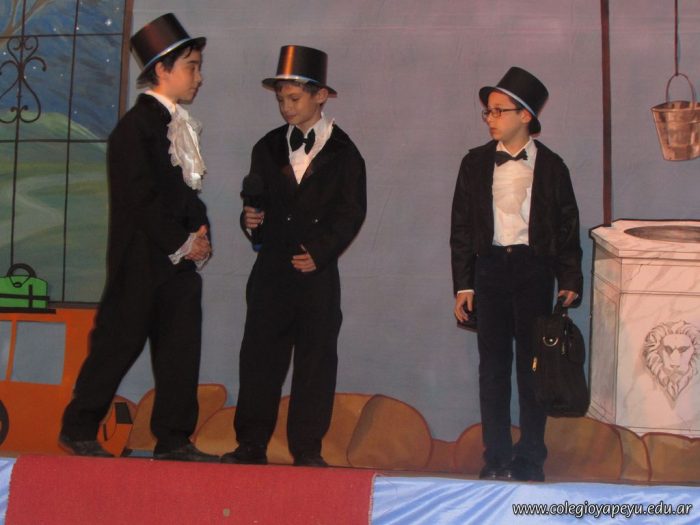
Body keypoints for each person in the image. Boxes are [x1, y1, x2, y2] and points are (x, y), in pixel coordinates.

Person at [60, 13, 217, 462]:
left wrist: (201, 233)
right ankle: (79, 428)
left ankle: (173, 438)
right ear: (162, 69)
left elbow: (185, 194)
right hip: (140, 261)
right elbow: (141, 198)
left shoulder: (177, 125)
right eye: (191, 66)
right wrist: (183, 241)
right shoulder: (135, 128)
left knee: (180, 351)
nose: (198, 77)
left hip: (176, 263)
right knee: (116, 345)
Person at [222, 45, 366, 467]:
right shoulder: (266, 147)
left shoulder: (345, 153)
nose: (286, 107)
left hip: (316, 275)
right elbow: (257, 206)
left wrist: (320, 252)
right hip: (271, 272)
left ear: (320, 96)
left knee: (315, 361)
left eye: (294, 98)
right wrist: (251, 221)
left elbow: (351, 212)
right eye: (281, 99)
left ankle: (307, 447)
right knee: (259, 358)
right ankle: (251, 443)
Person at [450, 66, 582, 481]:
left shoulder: (552, 166)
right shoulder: (474, 163)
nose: (490, 119)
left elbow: (567, 226)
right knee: (492, 368)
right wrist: (464, 284)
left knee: (532, 367)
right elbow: (461, 228)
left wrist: (569, 279)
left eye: (498, 111)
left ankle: (530, 458)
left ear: (525, 115)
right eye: (487, 112)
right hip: (489, 269)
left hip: (533, 270)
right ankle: (496, 456)